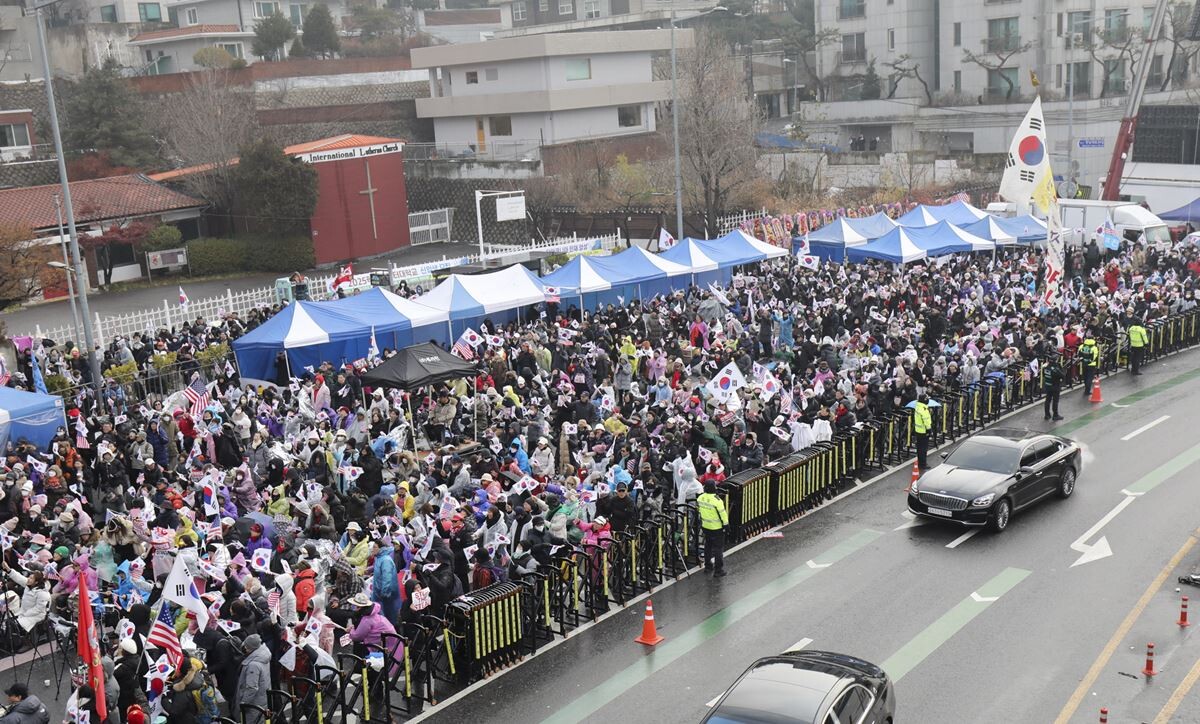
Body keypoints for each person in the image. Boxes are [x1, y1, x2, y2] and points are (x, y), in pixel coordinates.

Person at [235, 634, 270, 724]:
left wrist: (243, 704)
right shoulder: (263, 655)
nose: (245, 648)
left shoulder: (253, 665)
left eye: (246, 647)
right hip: (262, 700)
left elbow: (252, 688)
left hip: (253, 705)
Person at [697, 481, 729, 577]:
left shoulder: (700, 498)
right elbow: (723, 514)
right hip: (717, 528)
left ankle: (708, 566)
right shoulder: (717, 501)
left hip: (706, 526)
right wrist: (726, 525)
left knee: (708, 546)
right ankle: (718, 570)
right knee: (718, 549)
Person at [912, 393, 932, 470]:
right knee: (923, 449)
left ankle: (920, 463)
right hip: (924, 431)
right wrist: (929, 429)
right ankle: (923, 464)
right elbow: (926, 420)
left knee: (919, 448)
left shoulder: (918, 407)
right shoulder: (923, 409)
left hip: (918, 430)